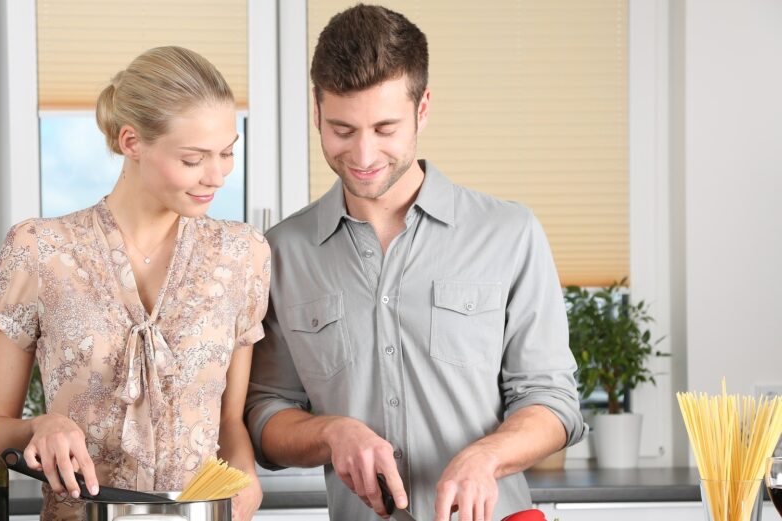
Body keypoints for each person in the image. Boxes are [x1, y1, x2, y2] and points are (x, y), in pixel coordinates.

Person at [244, 5, 586, 521]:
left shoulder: (508, 233)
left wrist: (486, 456)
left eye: (385, 128)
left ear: (422, 109)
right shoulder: (284, 252)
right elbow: (265, 412)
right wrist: (332, 433)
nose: (362, 154)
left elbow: (553, 401)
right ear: (316, 112)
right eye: (341, 129)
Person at [0, 46, 270, 521]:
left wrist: (246, 478)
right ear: (132, 141)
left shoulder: (243, 256)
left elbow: (230, 422)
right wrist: (43, 425)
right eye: (194, 158)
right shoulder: (40, 250)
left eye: (227, 152)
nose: (216, 175)